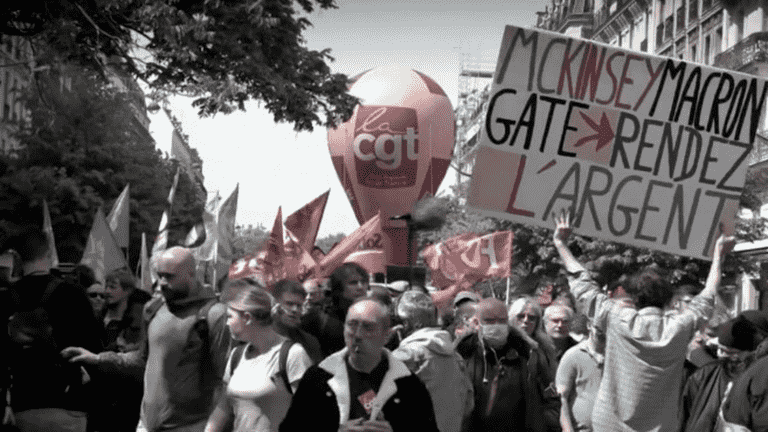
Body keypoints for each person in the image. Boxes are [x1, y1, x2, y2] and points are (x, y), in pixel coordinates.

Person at [552, 211, 735, 432]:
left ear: (634, 299)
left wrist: (561, 243)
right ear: (669, 300)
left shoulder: (616, 318)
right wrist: (718, 255)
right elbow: (709, 292)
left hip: (609, 425)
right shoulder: (680, 326)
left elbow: (583, 284)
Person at [61, 247, 230, 432]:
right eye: (160, 275)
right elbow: (143, 359)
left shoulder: (215, 315)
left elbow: (226, 382)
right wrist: (98, 358)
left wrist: (213, 428)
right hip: (146, 425)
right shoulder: (153, 308)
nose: (162, 282)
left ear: (191, 274)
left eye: (169, 276)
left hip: (191, 426)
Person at [280, 299, 440, 432]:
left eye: (368, 327)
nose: (357, 335)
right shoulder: (318, 378)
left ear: (386, 336)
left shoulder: (408, 385)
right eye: (352, 325)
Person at [6, 227, 103, 432]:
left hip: (21, 403)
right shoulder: (73, 294)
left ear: (18, 257)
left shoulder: (6, 297)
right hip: (68, 403)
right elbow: (94, 347)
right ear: (49, 254)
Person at [205, 279, 313, 432]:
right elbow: (223, 408)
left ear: (247, 318)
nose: (227, 323)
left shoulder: (293, 355)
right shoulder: (237, 356)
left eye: (230, 317)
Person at [455, 297, 550, 432]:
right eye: (490, 321)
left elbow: (544, 399)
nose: (497, 326)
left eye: (502, 321)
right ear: (477, 323)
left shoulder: (527, 354)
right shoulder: (462, 354)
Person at [391, 291, 473, 432]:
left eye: (398, 321)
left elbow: (371, 400)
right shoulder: (455, 357)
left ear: (408, 323)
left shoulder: (404, 356)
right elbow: (468, 405)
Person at [680, 311, 768, 432]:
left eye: (730, 353)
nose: (721, 355)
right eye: (720, 349)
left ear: (751, 352)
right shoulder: (703, 376)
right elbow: (683, 417)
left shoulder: (757, 382)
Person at [87, 269, 152, 432]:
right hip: (99, 394)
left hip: (125, 395)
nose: (106, 292)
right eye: (106, 286)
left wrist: (130, 348)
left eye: (113, 287)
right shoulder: (97, 319)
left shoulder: (136, 319)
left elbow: (143, 354)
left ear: (127, 291)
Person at [302, 263, 369, 357]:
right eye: (353, 283)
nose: (360, 287)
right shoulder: (318, 319)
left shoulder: (369, 316)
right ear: (339, 287)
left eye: (363, 282)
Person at [556, 318, 606, 432]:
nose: (603, 330)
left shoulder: (619, 356)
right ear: (589, 325)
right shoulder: (573, 355)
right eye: (598, 326)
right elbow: (561, 399)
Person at [272, 279, 323, 364]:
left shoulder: (310, 342)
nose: (295, 310)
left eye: (299, 305)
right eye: (289, 304)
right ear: (275, 304)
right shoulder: (261, 340)